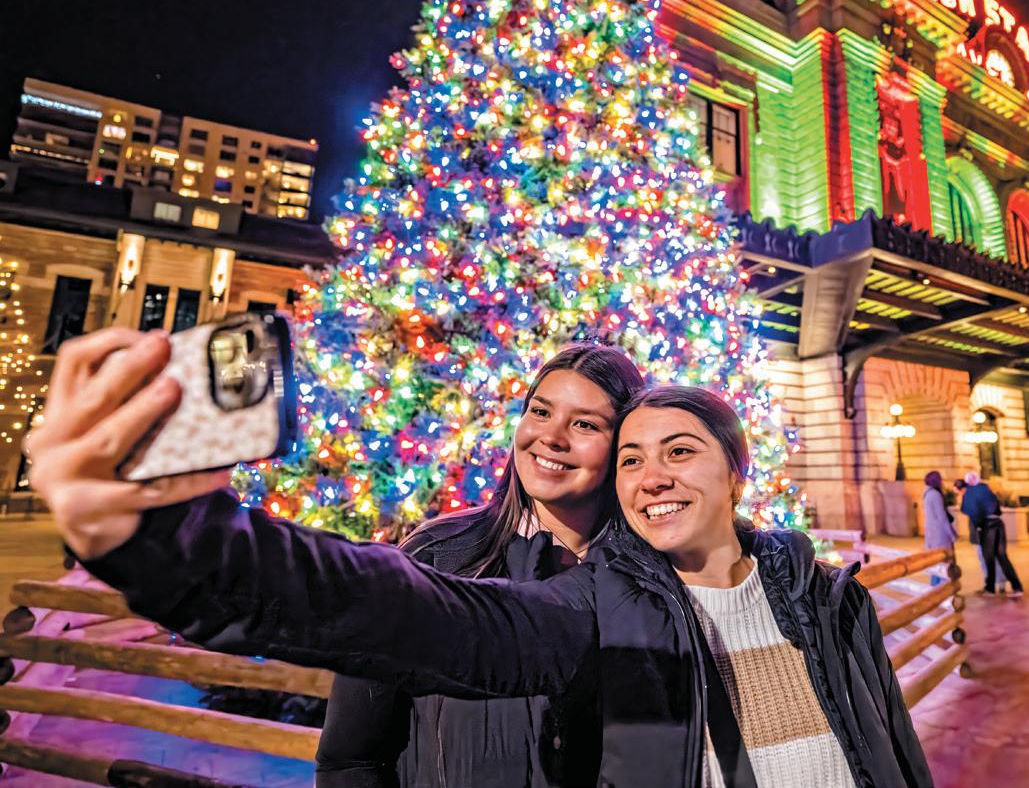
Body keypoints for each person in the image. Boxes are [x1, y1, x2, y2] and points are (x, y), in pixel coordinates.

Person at [28, 329, 934, 788]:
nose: (650, 474)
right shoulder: (597, 596)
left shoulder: (819, 601)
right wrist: (173, 535)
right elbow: (408, 617)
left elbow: (874, 754)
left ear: (738, 471)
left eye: (674, 449)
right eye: (634, 456)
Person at [319, 342, 643, 787]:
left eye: (584, 424)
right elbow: (350, 759)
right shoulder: (436, 557)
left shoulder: (648, 584)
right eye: (540, 412)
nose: (552, 437)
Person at [959, 472, 1023, 598]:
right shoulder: (986, 489)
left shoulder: (971, 493)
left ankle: (990, 589)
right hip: (998, 524)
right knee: (1002, 557)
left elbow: (971, 511)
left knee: (988, 558)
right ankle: (1017, 587)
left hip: (987, 527)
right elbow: (997, 508)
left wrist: (979, 526)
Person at [954, 478, 1005, 595]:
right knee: (993, 559)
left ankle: (991, 586)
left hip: (981, 534)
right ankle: (999, 584)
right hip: (986, 532)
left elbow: (976, 517)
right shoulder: (980, 496)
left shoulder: (972, 499)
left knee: (985, 560)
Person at [921, 471, 956, 586]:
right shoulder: (935, 495)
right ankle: (940, 590)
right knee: (943, 563)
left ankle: (935, 588)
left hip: (931, 534)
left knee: (936, 563)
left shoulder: (927, 494)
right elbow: (942, 518)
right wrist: (951, 534)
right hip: (940, 535)